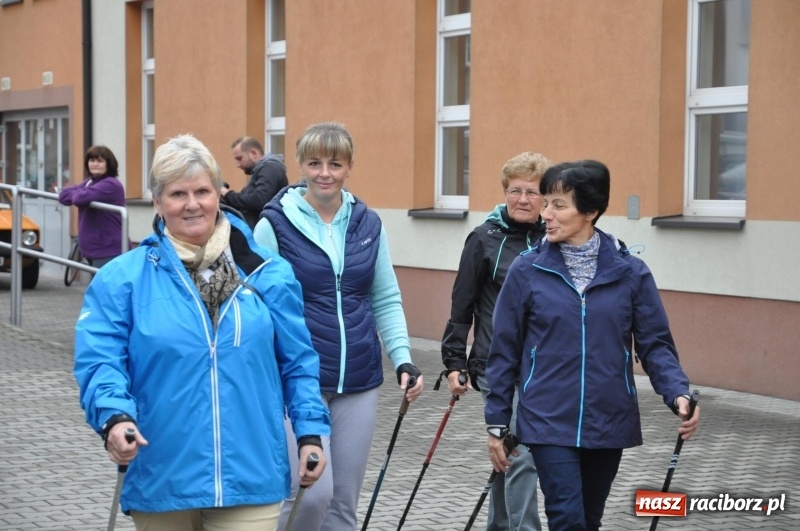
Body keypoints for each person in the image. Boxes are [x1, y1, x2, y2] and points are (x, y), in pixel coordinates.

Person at [73, 134, 330, 531]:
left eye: (202, 191)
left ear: (218, 195)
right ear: (158, 202)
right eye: (177, 193)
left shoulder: (268, 274)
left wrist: (310, 431)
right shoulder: (121, 279)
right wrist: (114, 417)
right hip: (162, 473)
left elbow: (298, 362)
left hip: (251, 472)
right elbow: (99, 361)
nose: (192, 204)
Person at [484, 160, 701, 531]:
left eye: (558, 205)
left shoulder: (630, 272)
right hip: (547, 417)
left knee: (588, 519)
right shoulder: (527, 270)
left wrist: (677, 392)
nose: (545, 213)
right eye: (546, 203)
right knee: (566, 518)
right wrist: (496, 422)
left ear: (591, 211)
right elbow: (504, 350)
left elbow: (655, 344)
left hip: (608, 417)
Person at [253, 121, 424, 531]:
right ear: (300, 165)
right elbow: (256, 306)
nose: (324, 173)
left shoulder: (368, 224)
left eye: (335, 163)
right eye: (314, 163)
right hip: (297, 380)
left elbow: (385, 296)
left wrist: (402, 359)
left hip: (359, 380)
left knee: (344, 504)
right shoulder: (274, 224)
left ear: (349, 167)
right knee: (312, 496)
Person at [441, 151, 551, 531]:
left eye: (533, 192)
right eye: (515, 191)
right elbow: (462, 303)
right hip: (495, 363)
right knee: (522, 452)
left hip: (544, 365)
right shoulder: (484, 239)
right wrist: (454, 361)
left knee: (508, 452)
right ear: (504, 192)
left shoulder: (554, 238)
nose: (523, 199)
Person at [58, 145, 126, 268]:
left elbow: (79, 198)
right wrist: (80, 192)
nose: (95, 164)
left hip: (107, 250)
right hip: (92, 249)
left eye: (100, 161)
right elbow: (63, 196)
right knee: (96, 286)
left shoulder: (111, 184)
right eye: (92, 160)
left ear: (108, 164)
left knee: (104, 287)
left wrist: (79, 192)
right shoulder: (91, 182)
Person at [221, 136, 289, 229]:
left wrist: (227, 193)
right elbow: (243, 203)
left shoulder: (270, 168)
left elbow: (259, 200)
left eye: (240, 158)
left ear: (253, 153)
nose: (238, 165)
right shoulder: (261, 170)